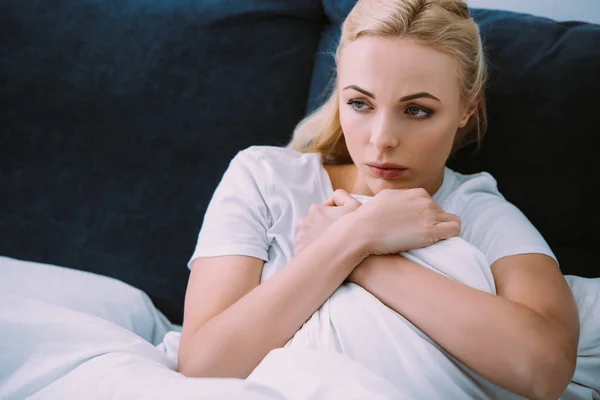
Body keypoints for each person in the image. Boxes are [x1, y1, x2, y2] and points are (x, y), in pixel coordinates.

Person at [177, 0, 579, 398]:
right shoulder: (265, 178)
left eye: (417, 110)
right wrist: (353, 238)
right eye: (360, 104)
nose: (382, 139)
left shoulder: (477, 210)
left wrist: (360, 252)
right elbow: (203, 366)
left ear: (465, 111)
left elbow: (546, 369)